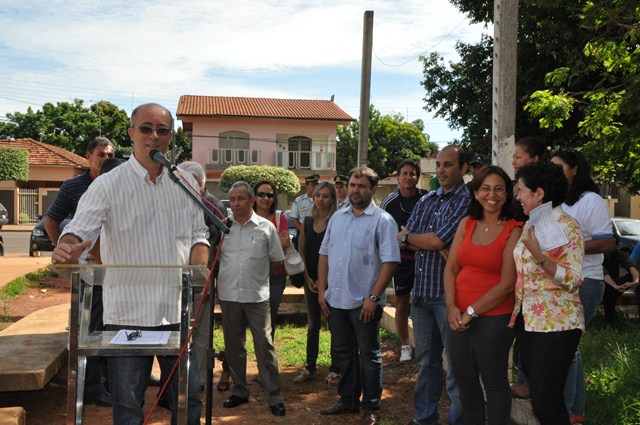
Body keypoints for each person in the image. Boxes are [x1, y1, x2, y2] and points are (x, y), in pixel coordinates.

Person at [51, 103, 207, 425]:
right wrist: (66, 247)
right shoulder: (108, 184)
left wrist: (199, 270)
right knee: (127, 407)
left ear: (170, 138)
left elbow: (199, 235)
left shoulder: (185, 184)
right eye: (146, 129)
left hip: (176, 312)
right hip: (127, 317)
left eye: (162, 131)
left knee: (188, 400)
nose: (154, 137)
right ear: (131, 134)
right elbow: (78, 230)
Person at [317, 166, 400, 425]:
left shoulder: (382, 221)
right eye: (353, 185)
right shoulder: (338, 218)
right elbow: (324, 254)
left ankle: (371, 407)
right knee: (343, 353)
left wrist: (374, 298)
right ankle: (348, 400)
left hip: (365, 302)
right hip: (337, 300)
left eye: (362, 186)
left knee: (369, 355)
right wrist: (322, 291)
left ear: (373, 189)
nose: (355, 190)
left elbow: (390, 261)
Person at [444, 165, 522, 424]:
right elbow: (451, 268)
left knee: (495, 381)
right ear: (476, 192)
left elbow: (507, 284)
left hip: (495, 316)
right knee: (465, 380)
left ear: (507, 194)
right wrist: (451, 308)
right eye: (486, 188)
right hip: (458, 315)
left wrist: (470, 312)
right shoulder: (466, 224)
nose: (492, 194)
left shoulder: (515, 229)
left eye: (499, 189)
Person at [398, 145, 470, 425]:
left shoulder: (466, 201)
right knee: (426, 363)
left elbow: (436, 241)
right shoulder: (427, 200)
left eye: (448, 165)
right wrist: (414, 239)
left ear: (463, 169)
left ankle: (457, 421)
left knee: (454, 367)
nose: (441, 170)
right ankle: (425, 418)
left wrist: (413, 239)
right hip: (422, 295)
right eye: (438, 164)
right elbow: (403, 237)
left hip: (450, 299)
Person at [510, 160, 584, 425]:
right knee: (543, 399)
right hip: (529, 322)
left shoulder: (568, 226)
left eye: (521, 190)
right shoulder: (531, 224)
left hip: (557, 325)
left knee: (546, 402)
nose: (517, 196)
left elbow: (574, 280)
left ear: (539, 193)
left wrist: (539, 255)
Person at [44, 136, 115, 408]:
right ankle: (93, 386)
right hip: (89, 273)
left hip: (118, 272)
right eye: (101, 154)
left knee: (114, 324)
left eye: (110, 155)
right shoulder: (75, 186)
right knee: (91, 327)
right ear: (88, 156)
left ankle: (113, 377)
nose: (106, 159)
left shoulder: (119, 183)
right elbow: (51, 220)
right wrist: (62, 249)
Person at [551, 149, 614, 424]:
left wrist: (564, 249)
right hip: (560, 283)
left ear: (575, 168)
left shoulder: (591, 201)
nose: (553, 171)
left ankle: (569, 411)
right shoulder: (558, 202)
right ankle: (574, 412)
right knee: (567, 347)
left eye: (559, 166)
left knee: (568, 346)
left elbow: (606, 242)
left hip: (586, 281)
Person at [217, 181, 287, 417]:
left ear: (251, 200)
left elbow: (276, 260)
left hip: (257, 297)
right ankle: (239, 390)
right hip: (229, 295)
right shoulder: (223, 227)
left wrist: (257, 279)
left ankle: (274, 396)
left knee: (264, 346)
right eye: (232, 199)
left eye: (241, 199)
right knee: (234, 346)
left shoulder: (266, 228)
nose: (236, 204)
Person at [177, 161, 228, 389]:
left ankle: (198, 381)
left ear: (198, 183)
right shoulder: (175, 202)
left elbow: (214, 239)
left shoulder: (213, 206)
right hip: (175, 281)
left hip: (201, 281)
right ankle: (180, 379)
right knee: (177, 332)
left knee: (200, 334)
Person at [509, 136, 547, 397]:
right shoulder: (531, 217)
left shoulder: (551, 217)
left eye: (518, 157)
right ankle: (527, 382)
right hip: (526, 296)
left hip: (550, 308)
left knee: (548, 395)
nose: (513, 162)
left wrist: (539, 255)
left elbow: (569, 277)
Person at [380, 159, 427, 363]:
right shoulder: (389, 202)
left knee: (423, 303)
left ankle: (425, 344)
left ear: (417, 176)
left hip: (425, 259)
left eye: (412, 174)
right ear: (397, 177)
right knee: (401, 303)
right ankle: (405, 345)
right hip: (400, 262)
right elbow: (383, 233)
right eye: (404, 174)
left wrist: (407, 241)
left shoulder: (426, 199)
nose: (408, 177)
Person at [293, 181, 337, 383]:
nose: (321, 199)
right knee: (313, 325)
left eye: (325, 196)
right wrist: (308, 277)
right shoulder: (308, 222)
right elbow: (301, 250)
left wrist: (323, 280)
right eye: (318, 195)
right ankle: (310, 367)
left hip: (331, 282)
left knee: (335, 325)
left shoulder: (336, 221)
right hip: (310, 280)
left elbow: (335, 254)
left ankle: (335, 368)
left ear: (332, 199)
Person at [252, 180, 290, 341]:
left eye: (269, 195)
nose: (265, 198)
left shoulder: (280, 218)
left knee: (270, 314)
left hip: (276, 276)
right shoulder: (248, 218)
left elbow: (285, 242)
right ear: (254, 197)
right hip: (252, 275)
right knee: (248, 316)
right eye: (261, 194)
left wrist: (258, 246)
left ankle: (267, 350)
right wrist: (274, 244)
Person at [602, 235, 639, 327]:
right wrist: (614, 285)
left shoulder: (617, 253)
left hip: (615, 284)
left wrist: (635, 280)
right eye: (609, 243)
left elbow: (630, 265)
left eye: (613, 244)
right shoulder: (598, 255)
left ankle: (611, 320)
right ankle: (610, 320)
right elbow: (602, 272)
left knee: (630, 276)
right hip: (601, 283)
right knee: (609, 290)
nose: (611, 246)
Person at [511, 137, 548, 222]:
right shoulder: (514, 184)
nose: (513, 161)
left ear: (535, 158)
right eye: (513, 158)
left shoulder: (544, 184)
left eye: (518, 157)